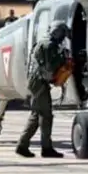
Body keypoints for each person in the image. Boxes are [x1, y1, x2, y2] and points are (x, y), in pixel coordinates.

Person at [16, 21, 70, 158]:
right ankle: (46, 148)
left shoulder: (44, 43)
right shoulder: (49, 45)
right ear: (57, 32)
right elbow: (49, 68)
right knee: (46, 115)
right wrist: (63, 60)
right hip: (39, 82)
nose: (63, 38)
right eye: (62, 34)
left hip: (36, 82)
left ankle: (22, 145)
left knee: (36, 115)